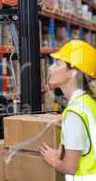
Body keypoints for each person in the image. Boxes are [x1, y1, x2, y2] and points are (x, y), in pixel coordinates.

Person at [38, 40, 96, 181]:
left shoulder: (74, 113)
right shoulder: (88, 102)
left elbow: (70, 167)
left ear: (72, 72)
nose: (50, 69)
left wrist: (53, 160)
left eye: (57, 64)